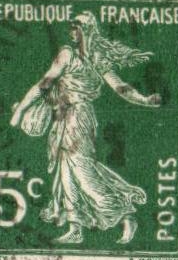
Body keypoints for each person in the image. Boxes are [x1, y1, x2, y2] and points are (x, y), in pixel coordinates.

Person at [10, 13, 160, 246]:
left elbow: (120, 87)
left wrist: (144, 99)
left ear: (88, 29)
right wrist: (20, 109)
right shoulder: (66, 54)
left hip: (80, 117)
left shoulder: (97, 58)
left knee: (82, 171)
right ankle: (75, 227)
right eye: (71, 25)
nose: (72, 30)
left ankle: (124, 214)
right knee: (65, 172)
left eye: (77, 26)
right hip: (61, 117)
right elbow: (44, 83)